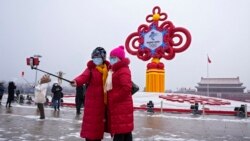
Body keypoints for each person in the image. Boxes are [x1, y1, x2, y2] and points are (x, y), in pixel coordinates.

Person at [71, 47, 110, 141]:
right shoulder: (91, 69)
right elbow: (83, 76)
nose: (96, 59)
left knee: (99, 126)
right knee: (91, 127)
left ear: (103, 58)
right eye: (94, 57)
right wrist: (76, 81)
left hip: (103, 103)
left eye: (98, 57)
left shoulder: (108, 69)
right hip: (92, 103)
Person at [106, 45, 134, 141]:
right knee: (124, 132)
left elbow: (126, 88)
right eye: (110, 58)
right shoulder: (114, 70)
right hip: (120, 107)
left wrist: (113, 98)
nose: (111, 60)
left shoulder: (123, 70)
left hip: (121, 106)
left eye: (113, 58)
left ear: (119, 59)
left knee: (120, 133)